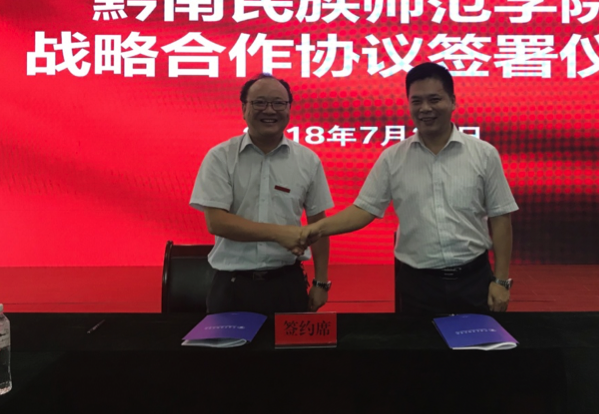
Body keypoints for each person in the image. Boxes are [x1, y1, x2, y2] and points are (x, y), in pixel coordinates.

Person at [300, 62, 518, 316]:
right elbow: (363, 210)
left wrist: (501, 281)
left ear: (453, 101)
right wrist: (316, 229)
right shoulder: (393, 158)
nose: (425, 108)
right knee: (417, 343)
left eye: (434, 99)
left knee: (477, 342)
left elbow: (501, 217)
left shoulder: (484, 154)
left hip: (474, 279)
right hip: (418, 284)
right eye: (416, 101)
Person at [190, 73, 334, 316]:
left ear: (289, 108)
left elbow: (319, 225)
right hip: (232, 286)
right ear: (244, 108)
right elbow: (217, 222)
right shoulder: (220, 157)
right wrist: (280, 234)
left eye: (278, 103)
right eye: (259, 102)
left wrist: (321, 282)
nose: (269, 110)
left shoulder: (308, 160)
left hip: (287, 284)